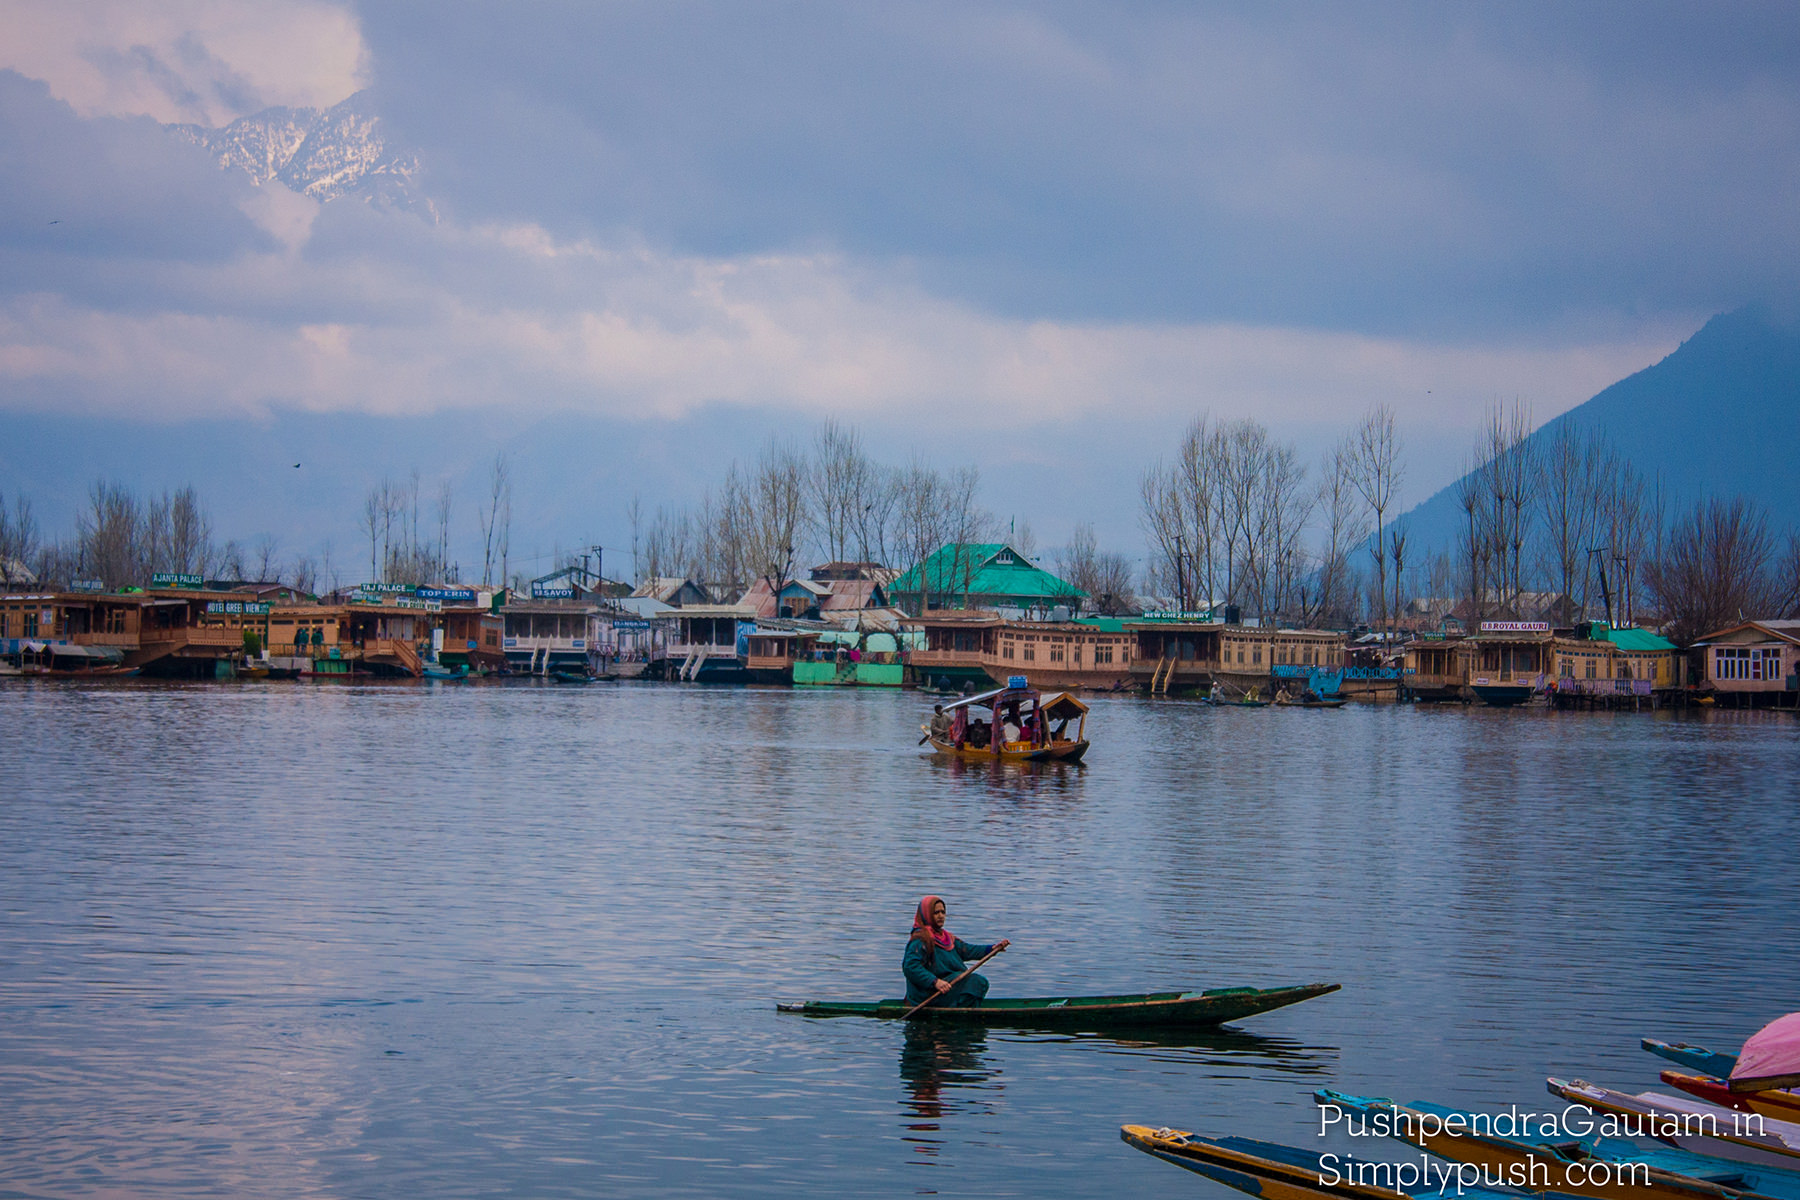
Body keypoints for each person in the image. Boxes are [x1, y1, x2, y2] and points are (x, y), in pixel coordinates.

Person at [902, 895, 1008, 1008]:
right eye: (936, 913)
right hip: (928, 994)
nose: (940, 916)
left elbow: (968, 951)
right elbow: (910, 967)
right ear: (927, 915)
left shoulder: (946, 938)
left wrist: (992, 949)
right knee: (976, 981)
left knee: (977, 982)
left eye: (943, 912)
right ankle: (961, 1010)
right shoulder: (920, 940)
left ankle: (964, 1008)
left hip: (946, 986)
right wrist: (935, 982)